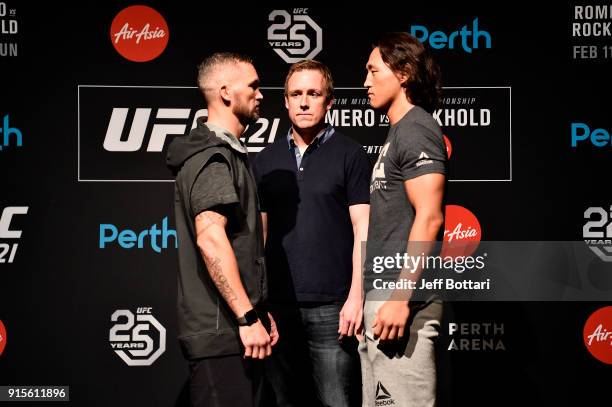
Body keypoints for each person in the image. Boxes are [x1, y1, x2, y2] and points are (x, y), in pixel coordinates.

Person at [253, 60, 371, 407]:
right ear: (286, 101)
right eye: (296, 94)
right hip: (277, 308)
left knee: (336, 401)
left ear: (329, 101)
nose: (304, 102)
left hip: (334, 308)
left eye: (313, 93)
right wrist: (259, 303)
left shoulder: (351, 155)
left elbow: (362, 228)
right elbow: (258, 238)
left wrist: (355, 297)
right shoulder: (264, 160)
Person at [166, 52, 278, 407]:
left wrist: (256, 310)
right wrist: (246, 317)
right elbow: (211, 240)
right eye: (254, 86)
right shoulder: (212, 158)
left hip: (234, 328)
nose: (261, 95)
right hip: (223, 332)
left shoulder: (229, 154)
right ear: (226, 92)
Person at [360, 33, 447, 407]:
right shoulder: (399, 131)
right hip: (384, 297)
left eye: (373, 71)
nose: (365, 82)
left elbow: (429, 217)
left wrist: (400, 296)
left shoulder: (416, 127)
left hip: (401, 302)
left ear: (404, 73)